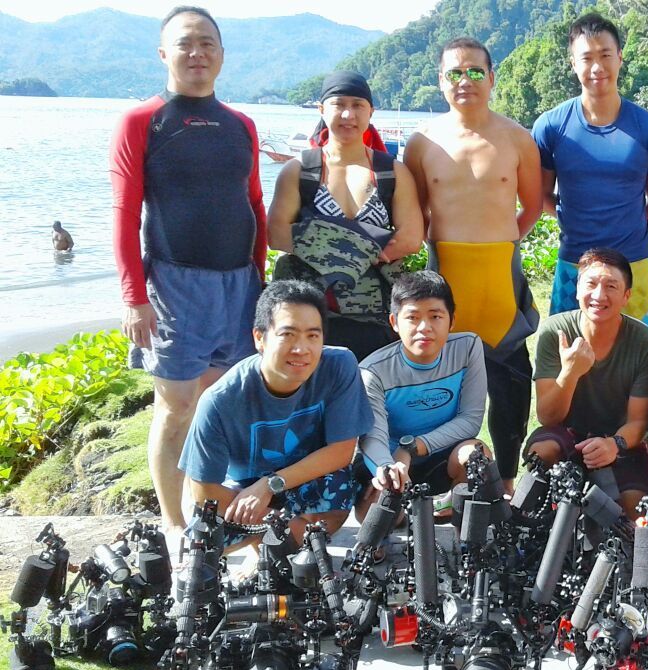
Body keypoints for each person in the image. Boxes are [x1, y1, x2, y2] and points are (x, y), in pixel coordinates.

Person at [110, 6, 268, 532]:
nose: (196, 52)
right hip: (174, 282)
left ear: (222, 54)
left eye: (207, 43)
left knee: (216, 404)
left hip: (238, 283)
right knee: (176, 405)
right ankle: (176, 528)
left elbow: (255, 205)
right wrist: (134, 296)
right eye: (184, 44)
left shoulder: (240, 124)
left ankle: (209, 516)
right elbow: (125, 213)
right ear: (164, 54)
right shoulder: (143, 121)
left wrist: (259, 281)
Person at [405, 37, 541, 486]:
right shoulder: (422, 143)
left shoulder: (518, 138)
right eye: (455, 73)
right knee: (438, 383)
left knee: (511, 386)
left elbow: (533, 207)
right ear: (441, 81)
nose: (466, 81)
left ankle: (506, 482)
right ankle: (443, 483)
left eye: (476, 72)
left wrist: (500, 245)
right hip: (447, 276)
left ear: (492, 77)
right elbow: (416, 212)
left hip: (500, 279)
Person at [179, 281, 373, 548]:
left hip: (297, 478)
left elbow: (341, 451)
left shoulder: (339, 365)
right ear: (259, 338)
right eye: (288, 335)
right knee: (204, 546)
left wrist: (269, 485)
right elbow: (203, 492)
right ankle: (267, 543)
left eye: (312, 336)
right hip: (239, 492)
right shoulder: (220, 400)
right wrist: (272, 520)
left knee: (338, 490)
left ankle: (277, 542)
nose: (301, 349)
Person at [532, 12, 648, 327]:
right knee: (566, 355)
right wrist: (569, 222)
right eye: (586, 58)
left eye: (605, 55)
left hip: (633, 264)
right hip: (574, 263)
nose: (597, 67)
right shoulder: (551, 126)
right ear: (573, 63)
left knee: (635, 361)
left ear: (620, 58)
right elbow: (540, 193)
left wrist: (625, 228)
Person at [267, 70, 424, 361]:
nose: (348, 114)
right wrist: (360, 245)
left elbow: (412, 238)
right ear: (322, 109)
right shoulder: (300, 171)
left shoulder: (390, 172)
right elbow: (276, 234)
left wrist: (331, 246)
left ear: (371, 112)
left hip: (375, 314)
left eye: (358, 105)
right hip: (311, 313)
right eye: (339, 104)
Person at [527, 248, 648, 517]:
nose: (599, 295)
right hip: (567, 435)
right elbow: (547, 417)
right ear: (577, 290)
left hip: (621, 442)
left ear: (626, 296)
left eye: (611, 286)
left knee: (638, 511)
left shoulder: (645, 342)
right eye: (591, 284)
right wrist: (571, 372)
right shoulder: (555, 332)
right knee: (542, 452)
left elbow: (638, 421)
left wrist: (614, 444)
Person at [357, 271, 489, 523]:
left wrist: (411, 448)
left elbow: (470, 420)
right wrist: (387, 468)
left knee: (476, 454)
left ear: (452, 320)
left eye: (435, 316)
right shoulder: (372, 371)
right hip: (394, 462)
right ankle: (409, 515)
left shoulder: (468, 347)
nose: (424, 328)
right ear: (395, 322)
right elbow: (372, 436)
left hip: (442, 455)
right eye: (413, 318)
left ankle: (462, 530)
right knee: (376, 519)